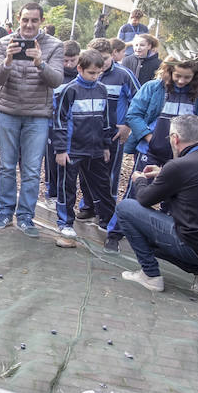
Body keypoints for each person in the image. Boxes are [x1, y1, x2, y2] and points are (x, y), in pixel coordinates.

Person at [117, 113, 198, 294]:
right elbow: (193, 181)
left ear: (175, 139)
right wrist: (163, 173)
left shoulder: (179, 167)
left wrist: (140, 179)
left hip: (191, 245)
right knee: (156, 228)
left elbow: (144, 199)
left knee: (126, 209)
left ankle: (150, 275)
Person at [103, 57, 198, 253]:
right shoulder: (153, 88)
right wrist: (151, 138)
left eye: (187, 77)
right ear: (169, 71)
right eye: (177, 75)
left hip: (181, 157)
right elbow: (134, 114)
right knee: (136, 192)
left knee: (174, 198)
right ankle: (115, 233)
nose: (181, 81)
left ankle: (162, 241)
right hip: (150, 151)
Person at [0, 2, 64, 237]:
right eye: (25, 20)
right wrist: (8, 61)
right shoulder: (3, 43)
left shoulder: (54, 46)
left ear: (41, 21)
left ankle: (26, 217)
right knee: (6, 166)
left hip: (37, 116)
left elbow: (57, 80)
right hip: (8, 112)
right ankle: (4, 212)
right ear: (18, 20)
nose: (29, 25)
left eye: (34, 20)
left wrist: (40, 62)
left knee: (31, 169)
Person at [50, 49, 116, 242]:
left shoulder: (102, 89)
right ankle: (65, 223)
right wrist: (61, 150)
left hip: (95, 150)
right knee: (67, 187)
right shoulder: (70, 90)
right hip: (73, 150)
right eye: (91, 73)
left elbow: (105, 120)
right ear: (80, 69)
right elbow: (60, 122)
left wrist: (105, 146)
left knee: (103, 185)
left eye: (98, 73)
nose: (95, 77)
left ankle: (109, 221)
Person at [83, 37, 138, 221]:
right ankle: (89, 205)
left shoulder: (124, 74)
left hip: (113, 135)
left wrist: (127, 125)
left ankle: (107, 212)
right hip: (89, 134)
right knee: (86, 171)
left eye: (105, 58)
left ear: (113, 55)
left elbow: (138, 102)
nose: (102, 63)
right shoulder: (87, 75)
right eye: (97, 58)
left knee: (108, 174)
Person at [43, 40, 81, 205]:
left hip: (75, 128)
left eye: (73, 60)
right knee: (52, 160)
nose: (69, 64)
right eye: (65, 60)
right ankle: (51, 194)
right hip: (52, 125)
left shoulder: (83, 76)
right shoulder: (55, 75)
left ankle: (65, 197)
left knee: (71, 163)